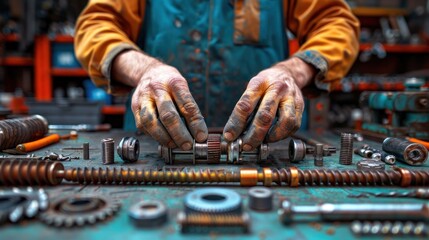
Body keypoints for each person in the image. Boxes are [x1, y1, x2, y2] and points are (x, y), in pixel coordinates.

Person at [75, 0, 359, 151]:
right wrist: (145, 70)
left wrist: (292, 72)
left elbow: (336, 24)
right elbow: (96, 26)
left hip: (270, 143)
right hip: (155, 141)